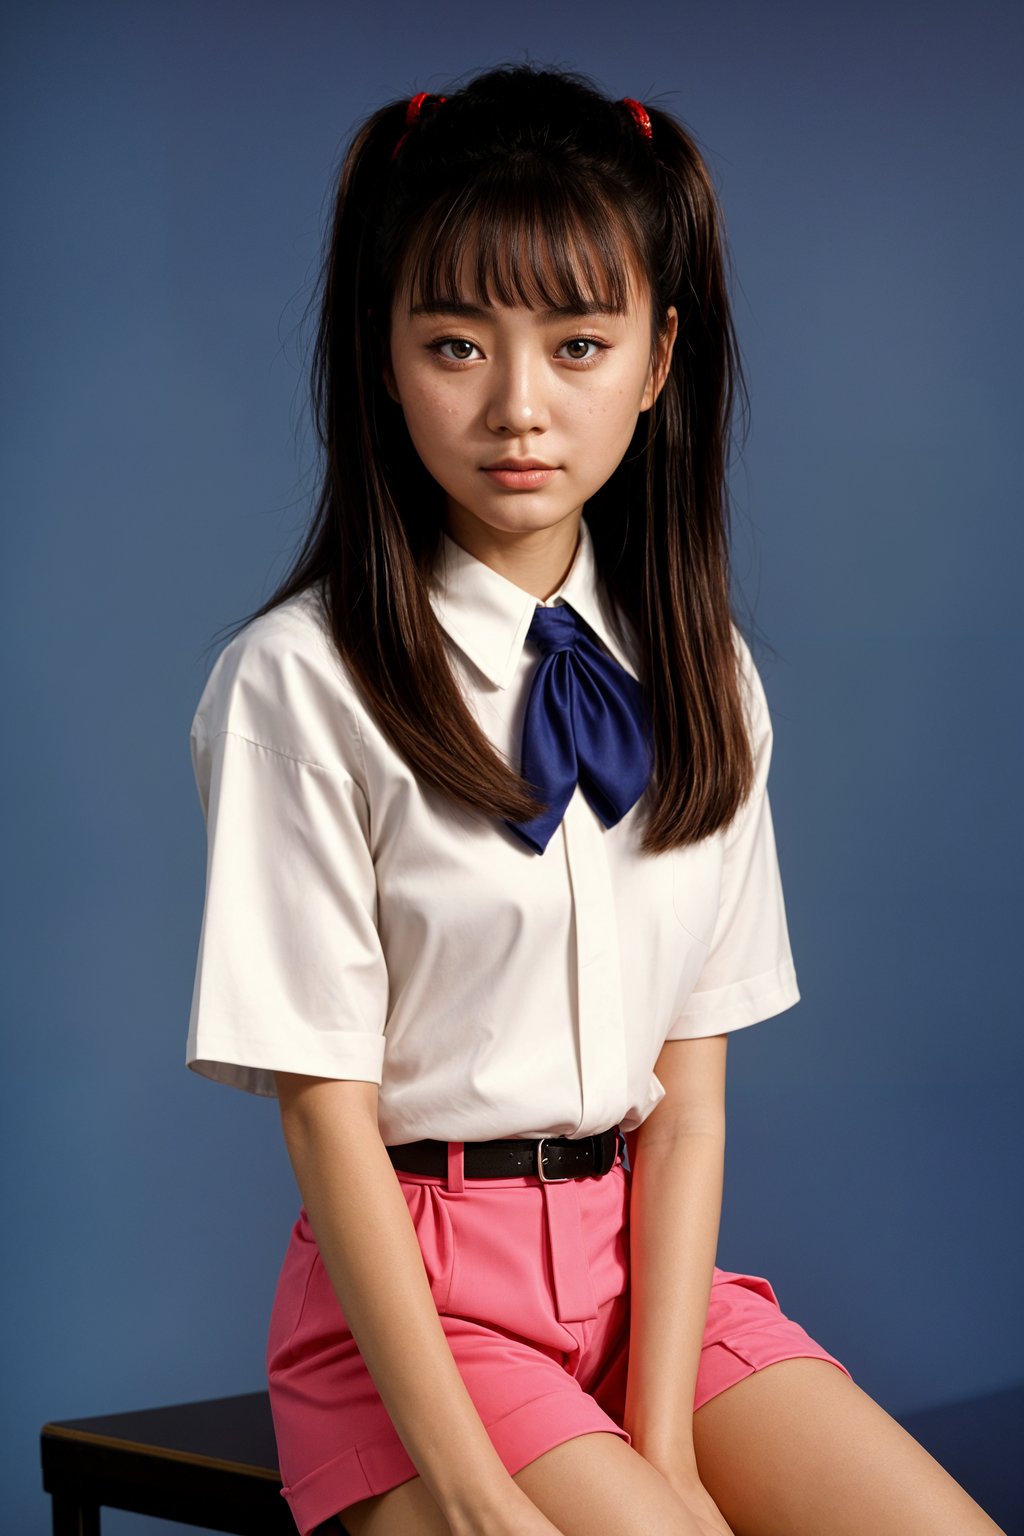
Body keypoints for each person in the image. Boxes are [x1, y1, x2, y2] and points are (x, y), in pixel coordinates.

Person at [184, 62, 1005, 1536]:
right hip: (418, 1316)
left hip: (648, 1285)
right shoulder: (298, 682)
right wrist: (477, 1495)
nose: (519, 409)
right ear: (381, 355)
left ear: (657, 355)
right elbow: (325, 1111)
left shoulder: (710, 673)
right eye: (454, 343)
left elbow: (687, 1106)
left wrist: (669, 1450)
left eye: (577, 344)